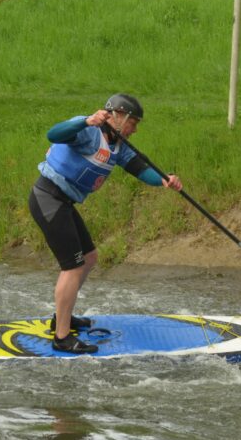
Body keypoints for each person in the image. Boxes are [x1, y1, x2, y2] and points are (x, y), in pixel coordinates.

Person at [28, 93, 183, 354]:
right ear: (118, 116)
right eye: (133, 122)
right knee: (72, 267)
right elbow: (53, 134)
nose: (135, 129)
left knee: (89, 257)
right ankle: (61, 337)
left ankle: (61, 318)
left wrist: (164, 179)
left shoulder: (118, 146)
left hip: (64, 203)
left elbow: (140, 169)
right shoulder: (89, 130)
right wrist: (86, 121)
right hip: (48, 198)